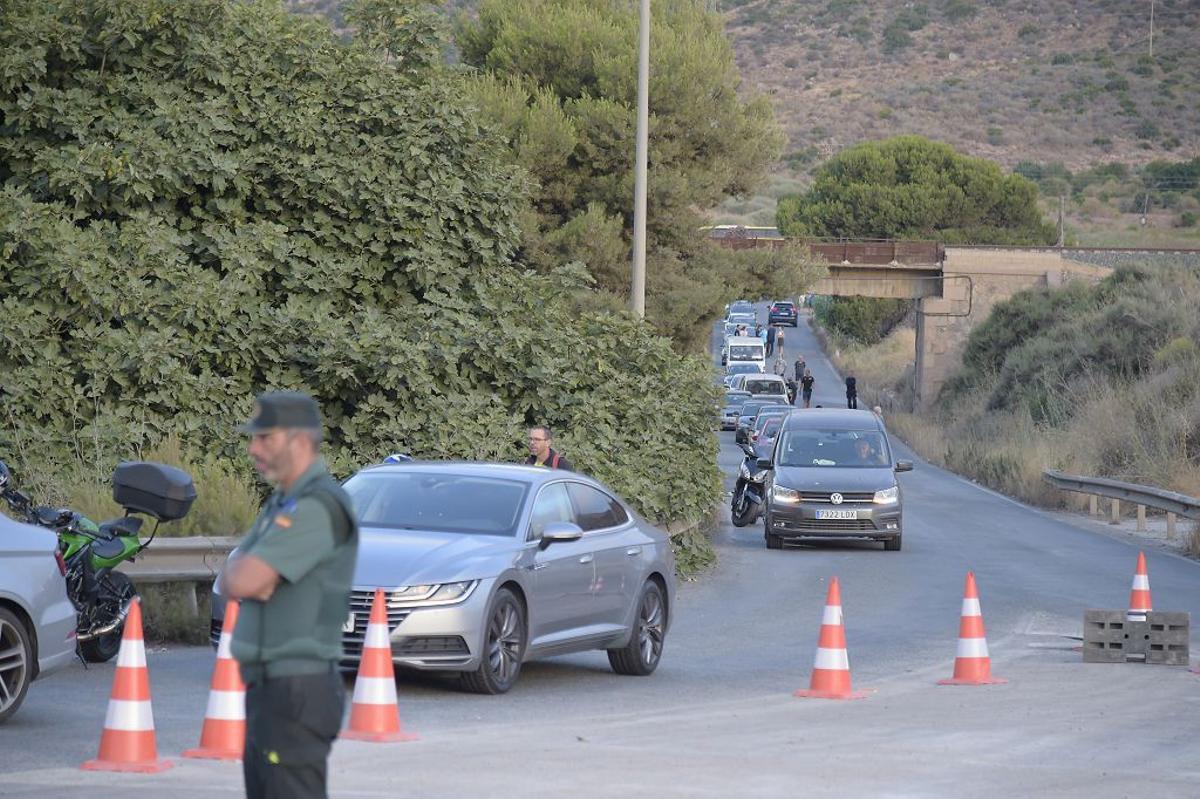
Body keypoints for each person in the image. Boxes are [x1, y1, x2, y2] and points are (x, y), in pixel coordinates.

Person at [222, 391, 359, 799]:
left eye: (265, 438)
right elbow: (239, 574)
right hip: (271, 689)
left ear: (299, 441)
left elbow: (244, 579)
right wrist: (248, 573)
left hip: (297, 690)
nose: (254, 448)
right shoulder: (284, 502)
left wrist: (249, 573)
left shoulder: (318, 506)